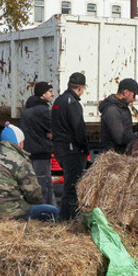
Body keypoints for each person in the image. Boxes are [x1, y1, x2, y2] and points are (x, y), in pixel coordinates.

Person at [0, 124, 59, 221]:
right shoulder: (20, 160)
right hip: (10, 213)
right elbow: (34, 194)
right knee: (53, 211)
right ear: (19, 142)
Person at [51, 72, 88, 221]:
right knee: (72, 188)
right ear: (80, 87)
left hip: (60, 148)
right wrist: (85, 148)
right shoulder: (73, 104)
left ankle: (66, 217)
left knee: (69, 185)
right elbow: (79, 130)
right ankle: (67, 219)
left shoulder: (58, 101)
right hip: (72, 150)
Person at [20, 81, 56, 206]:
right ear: (42, 95)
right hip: (42, 152)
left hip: (29, 151)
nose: (53, 94)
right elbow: (55, 129)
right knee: (45, 184)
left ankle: (38, 208)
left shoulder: (26, 110)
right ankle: (47, 211)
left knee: (32, 183)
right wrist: (50, 134)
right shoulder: (44, 111)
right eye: (50, 91)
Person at [99, 78, 138, 153]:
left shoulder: (123, 107)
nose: (134, 99)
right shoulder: (112, 110)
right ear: (125, 92)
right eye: (134, 95)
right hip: (115, 156)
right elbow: (120, 138)